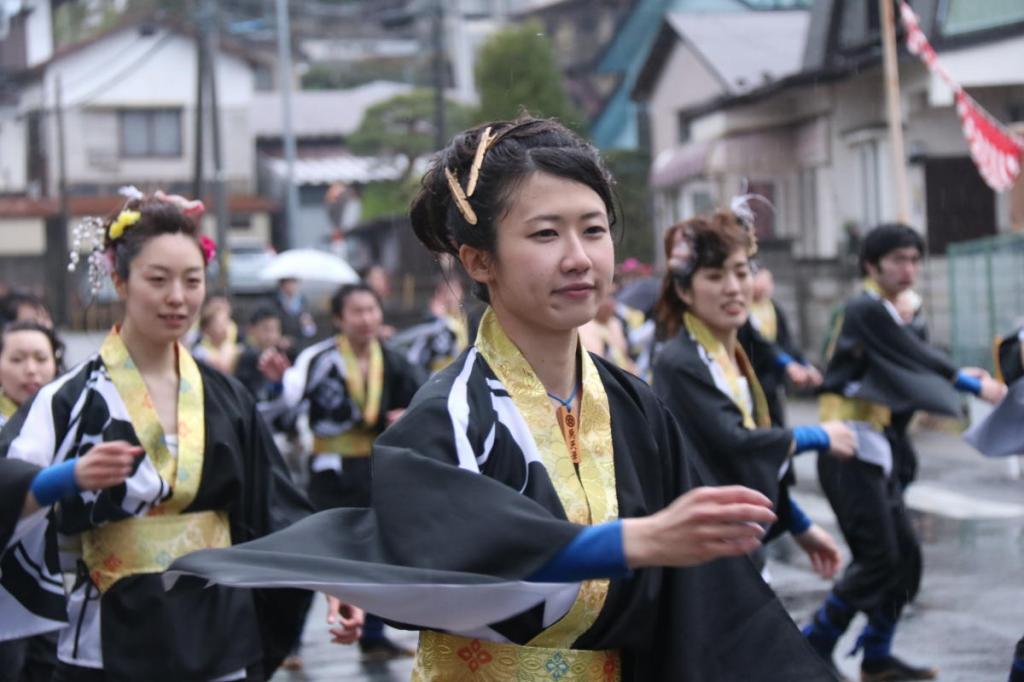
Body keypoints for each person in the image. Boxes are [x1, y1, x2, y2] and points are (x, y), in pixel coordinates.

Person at [169, 117, 836, 680]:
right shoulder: (449, 415)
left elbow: (713, 609)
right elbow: (457, 549)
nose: (579, 257)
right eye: (546, 234)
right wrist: (634, 540)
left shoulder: (636, 408)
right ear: (478, 260)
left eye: (594, 229)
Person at [0, 194, 318, 681]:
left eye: (192, 281)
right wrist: (65, 478)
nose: (178, 297)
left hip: (222, 627)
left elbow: (277, 508)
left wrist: (337, 582)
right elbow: (8, 481)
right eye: (158, 279)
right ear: (120, 280)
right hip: (110, 631)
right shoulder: (70, 398)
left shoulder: (227, 395)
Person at [802, 223, 1006, 681]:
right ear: (872, 266)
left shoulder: (900, 314)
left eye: (915, 259)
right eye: (898, 259)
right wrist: (975, 384)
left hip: (880, 450)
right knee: (878, 557)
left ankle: (876, 654)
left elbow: (910, 367)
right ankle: (813, 646)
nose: (909, 268)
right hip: (846, 447)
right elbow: (917, 358)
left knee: (905, 559)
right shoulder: (864, 308)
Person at [650, 214, 851, 588]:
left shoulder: (736, 355)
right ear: (684, 290)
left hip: (738, 551)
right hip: (706, 564)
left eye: (741, 273)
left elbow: (742, 465)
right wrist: (819, 436)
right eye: (714, 276)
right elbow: (736, 445)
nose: (733, 288)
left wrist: (801, 527)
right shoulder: (680, 362)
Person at [259, 281, 424, 660]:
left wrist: (408, 417)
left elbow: (422, 403)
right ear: (338, 319)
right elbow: (285, 404)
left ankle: (374, 636)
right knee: (314, 554)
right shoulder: (319, 360)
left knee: (380, 554)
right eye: (357, 311)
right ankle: (288, 642)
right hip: (329, 474)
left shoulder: (394, 359)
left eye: (372, 309)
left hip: (378, 470)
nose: (367, 319)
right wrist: (276, 383)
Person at [746, 266, 822, 427]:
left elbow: (786, 342)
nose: (766, 286)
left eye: (769, 282)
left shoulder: (773, 308)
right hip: (751, 375)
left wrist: (805, 365)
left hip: (773, 379)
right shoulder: (744, 310)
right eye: (762, 280)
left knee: (776, 422)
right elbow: (762, 342)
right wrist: (788, 364)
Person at [393, 276, 469, 376]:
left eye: (455, 290)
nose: (450, 297)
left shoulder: (469, 318)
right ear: (438, 295)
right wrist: (438, 319)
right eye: (446, 292)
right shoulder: (430, 319)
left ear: (462, 292)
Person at [191, 295, 241, 374]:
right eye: (219, 324)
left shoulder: (234, 347)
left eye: (226, 322)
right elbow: (223, 366)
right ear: (206, 329)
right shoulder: (200, 351)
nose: (225, 328)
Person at [273, 278, 317, 356]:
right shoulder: (274, 302)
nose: (292, 286)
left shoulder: (303, 301)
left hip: (299, 347)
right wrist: (279, 339)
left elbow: (310, 331)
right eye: (289, 283)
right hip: (281, 347)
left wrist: (308, 324)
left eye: (294, 283)